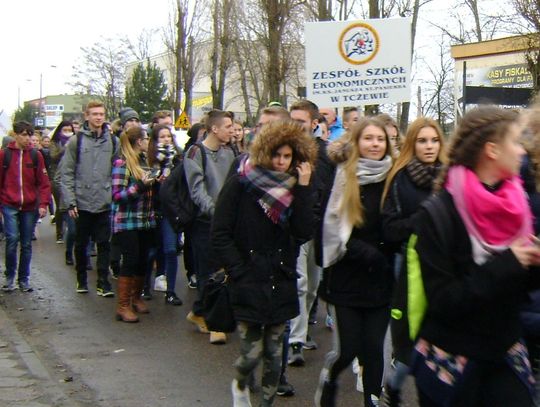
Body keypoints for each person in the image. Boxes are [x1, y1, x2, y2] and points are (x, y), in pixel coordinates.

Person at [413, 106, 540, 407]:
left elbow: (518, 289)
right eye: (515, 141)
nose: (522, 151)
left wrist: (534, 265)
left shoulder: (516, 204)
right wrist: (508, 263)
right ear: (492, 150)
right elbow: (444, 301)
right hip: (454, 362)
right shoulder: (438, 213)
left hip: (505, 352)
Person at [211, 120, 317, 407]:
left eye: (287, 156)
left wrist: (304, 188)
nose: (281, 162)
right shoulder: (241, 183)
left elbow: (303, 231)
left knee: (274, 354)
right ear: (264, 152)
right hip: (248, 277)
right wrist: (238, 270)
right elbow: (220, 232)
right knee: (251, 353)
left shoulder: (295, 187)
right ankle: (240, 382)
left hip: (281, 277)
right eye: (276, 155)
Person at [315, 117, 394, 407]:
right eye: (368, 138)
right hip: (346, 274)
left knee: (374, 348)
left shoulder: (393, 176)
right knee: (348, 349)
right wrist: (361, 250)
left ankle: (372, 400)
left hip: (381, 277)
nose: (375, 144)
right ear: (357, 142)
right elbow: (332, 224)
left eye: (380, 139)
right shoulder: (343, 175)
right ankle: (330, 377)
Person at [380, 117, 446, 406]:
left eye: (434, 140)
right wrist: (422, 219)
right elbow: (390, 229)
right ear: (412, 144)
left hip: (443, 264)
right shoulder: (400, 178)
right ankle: (394, 387)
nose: (429, 146)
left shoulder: (452, 176)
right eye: (422, 141)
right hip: (407, 263)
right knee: (411, 335)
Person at [184, 109, 236, 344]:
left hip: (227, 221)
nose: (232, 131)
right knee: (208, 272)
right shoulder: (195, 152)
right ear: (214, 129)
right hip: (205, 222)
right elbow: (197, 190)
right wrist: (217, 212)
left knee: (225, 269)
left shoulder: (230, 151)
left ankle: (198, 311)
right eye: (228, 127)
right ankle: (215, 324)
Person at [288, 100, 333, 365]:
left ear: (314, 123)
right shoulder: (285, 150)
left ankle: (302, 329)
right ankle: (295, 340)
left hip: (320, 228)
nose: (295, 125)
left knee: (313, 285)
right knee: (300, 283)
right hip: (295, 226)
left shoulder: (326, 154)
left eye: (301, 121)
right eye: (292, 120)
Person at [61, 101, 118, 297]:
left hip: (104, 201)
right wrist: (70, 201)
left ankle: (103, 282)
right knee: (81, 243)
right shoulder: (76, 141)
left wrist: (114, 195)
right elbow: (67, 173)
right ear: (87, 116)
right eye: (94, 114)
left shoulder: (112, 141)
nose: (98, 117)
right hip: (82, 201)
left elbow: (117, 169)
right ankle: (81, 278)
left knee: (104, 243)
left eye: (101, 114)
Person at [0, 121, 50, 291]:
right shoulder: (5, 155)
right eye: (23, 135)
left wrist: (43, 204)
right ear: (15, 135)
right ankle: (10, 277)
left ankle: (23, 279)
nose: (27, 138)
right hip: (9, 204)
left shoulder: (36, 156)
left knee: (26, 243)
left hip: (30, 206)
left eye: (29, 135)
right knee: (12, 239)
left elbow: (43, 182)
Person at [111, 126, 155, 322]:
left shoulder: (145, 161)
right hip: (126, 221)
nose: (148, 142)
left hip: (144, 220)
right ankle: (123, 305)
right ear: (139, 141)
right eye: (146, 139)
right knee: (130, 259)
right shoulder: (122, 163)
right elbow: (117, 196)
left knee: (143, 259)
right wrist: (140, 186)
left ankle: (136, 298)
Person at [146, 124, 183, 305]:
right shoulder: (150, 160)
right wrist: (155, 180)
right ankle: (145, 287)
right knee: (151, 251)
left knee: (170, 249)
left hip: (170, 211)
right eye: (162, 137)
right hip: (152, 209)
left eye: (168, 136)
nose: (166, 140)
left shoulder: (178, 160)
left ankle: (171, 291)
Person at [49, 121, 75, 247]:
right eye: (65, 130)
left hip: (70, 177)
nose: (67, 132)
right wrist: (65, 148)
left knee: (70, 204)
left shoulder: (76, 141)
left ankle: (71, 229)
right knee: (61, 206)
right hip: (57, 178)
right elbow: (53, 157)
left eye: (70, 130)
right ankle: (59, 232)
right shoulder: (55, 143)